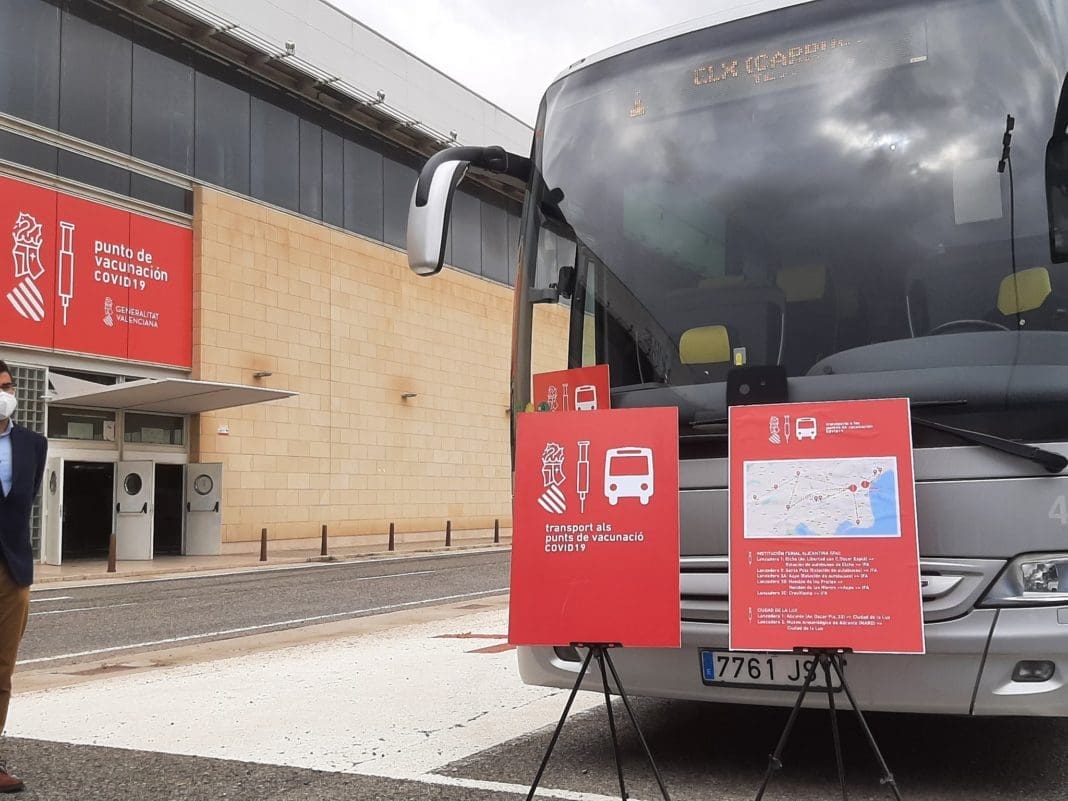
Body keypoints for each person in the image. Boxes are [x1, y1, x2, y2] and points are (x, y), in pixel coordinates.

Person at [0, 360, 47, 793]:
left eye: (7, 385)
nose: (5, 393)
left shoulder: (34, 443)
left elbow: (24, 500)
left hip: (12, 570)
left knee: (1, 669)